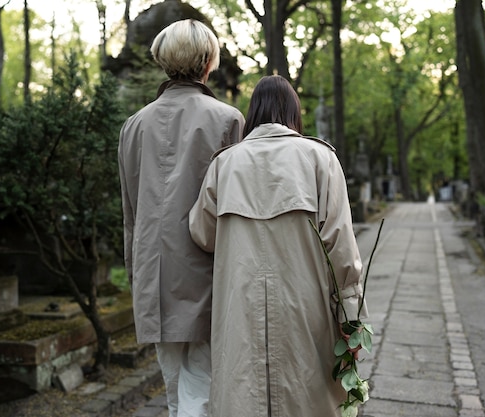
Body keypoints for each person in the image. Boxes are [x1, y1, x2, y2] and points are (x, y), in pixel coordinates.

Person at [188, 75, 366, 417]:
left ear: (252, 113)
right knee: (306, 395)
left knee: (243, 394)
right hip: (305, 307)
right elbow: (341, 246)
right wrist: (353, 319)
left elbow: (203, 234)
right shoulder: (320, 159)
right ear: (294, 112)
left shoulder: (224, 164)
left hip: (239, 307)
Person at [118, 19, 245, 417]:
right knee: (203, 391)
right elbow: (235, 209)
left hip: (153, 273)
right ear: (208, 61)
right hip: (208, 271)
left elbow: (130, 212)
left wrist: (134, 273)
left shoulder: (133, 125)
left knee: (177, 391)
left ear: (161, 60)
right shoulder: (228, 120)